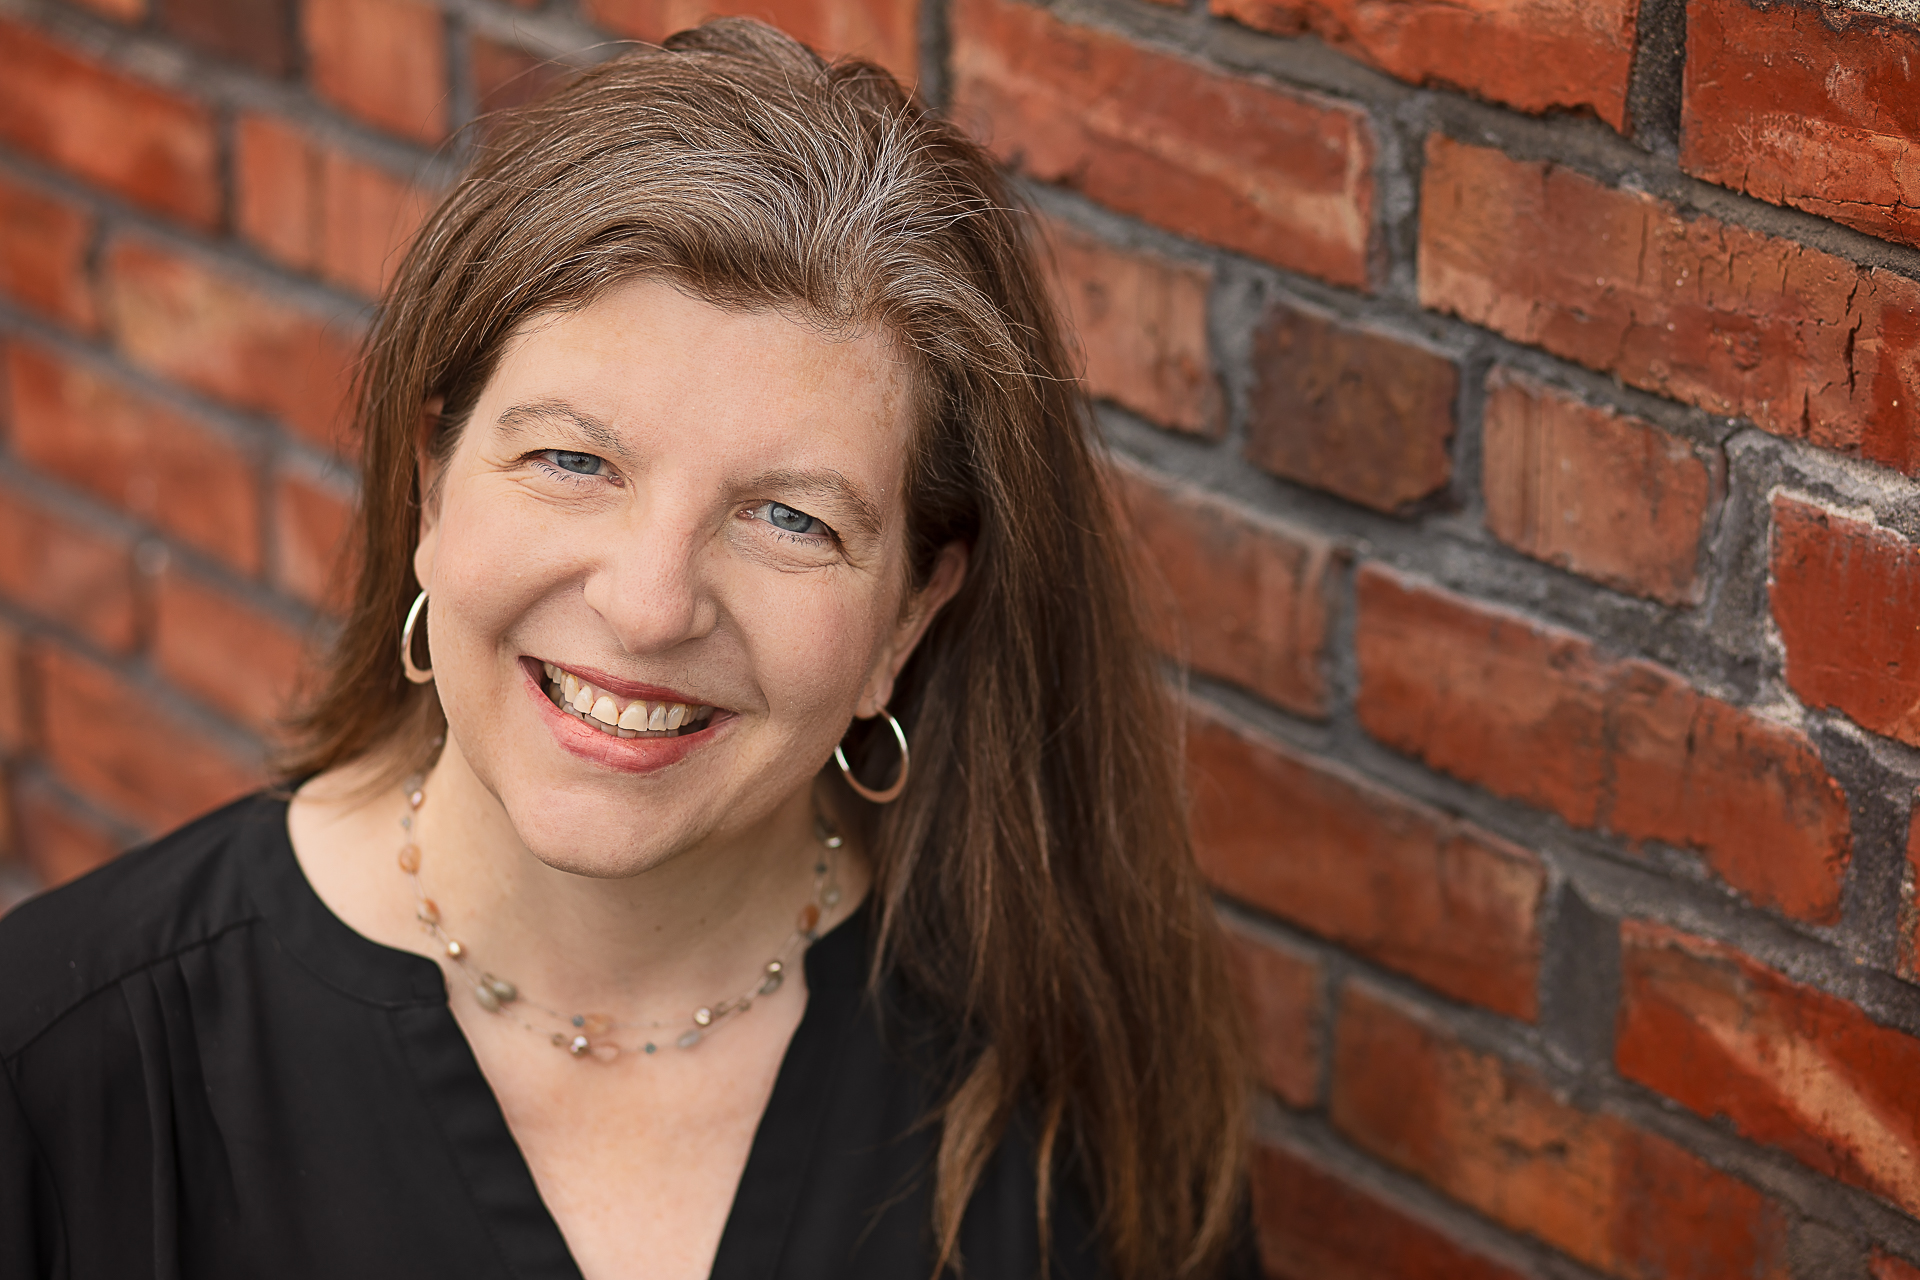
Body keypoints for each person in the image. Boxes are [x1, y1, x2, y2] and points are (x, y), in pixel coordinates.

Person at [0, 20, 1254, 1280]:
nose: (652, 606)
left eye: (789, 518)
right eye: (573, 459)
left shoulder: (1070, 1077)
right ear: (432, 489)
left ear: (911, 614)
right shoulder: (60, 1063)